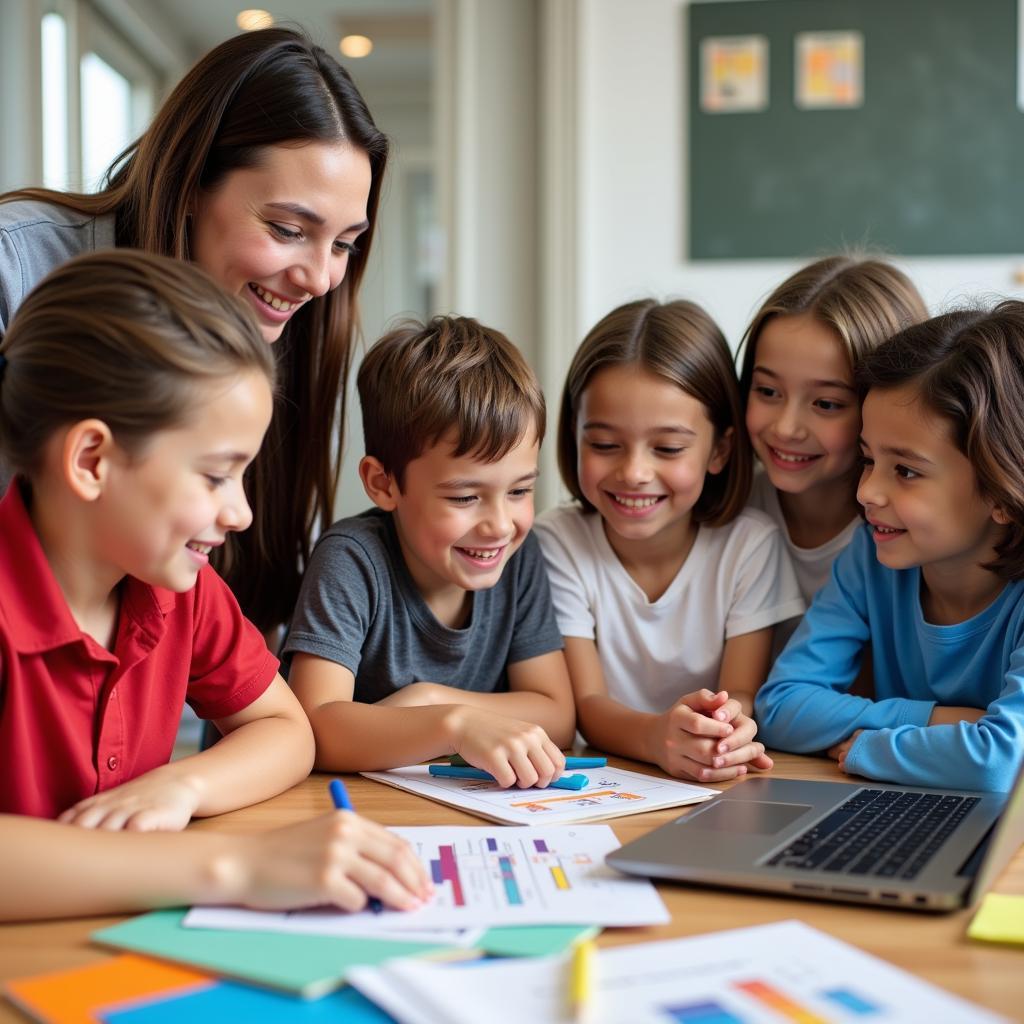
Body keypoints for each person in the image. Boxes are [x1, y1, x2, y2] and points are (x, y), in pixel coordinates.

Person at [0, 251, 429, 920]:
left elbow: (287, 730)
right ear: (92, 460)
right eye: (214, 476)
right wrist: (236, 867)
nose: (241, 513)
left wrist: (181, 786)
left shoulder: (180, 589)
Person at [0, 26, 387, 636]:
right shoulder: (14, 267)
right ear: (188, 186)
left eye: (343, 244)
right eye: (287, 230)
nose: (318, 279)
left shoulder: (295, 340)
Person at [285, 316, 575, 787]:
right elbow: (315, 727)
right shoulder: (352, 559)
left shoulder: (519, 556)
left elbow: (558, 715)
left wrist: (428, 700)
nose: (500, 524)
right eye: (464, 498)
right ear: (384, 484)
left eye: (520, 491)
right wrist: (453, 725)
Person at [756, 302, 1024, 792]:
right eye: (867, 459)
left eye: (906, 471)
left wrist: (867, 746)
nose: (866, 493)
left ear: (1001, 493)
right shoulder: (869, 559)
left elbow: (1000, 759)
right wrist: (937, 719)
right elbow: (781, 706)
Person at [535, 299, 803, 782]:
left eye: (668, 448)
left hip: (705, 776)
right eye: (603, 444)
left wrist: (724, 727)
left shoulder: (750, 545)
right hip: (605, 778)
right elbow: (587, 706)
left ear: (719, 449)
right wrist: (658, 737)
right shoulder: (558, 542)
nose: (634, 472)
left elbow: (741, 689)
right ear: (573, 438)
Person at [739, 256, 926, 651]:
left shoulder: (917, 533)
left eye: (826, 403)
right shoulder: (724, 510)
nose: (786, 428)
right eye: (768, 392)